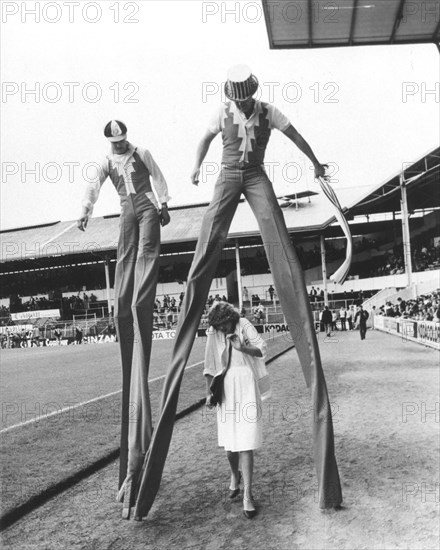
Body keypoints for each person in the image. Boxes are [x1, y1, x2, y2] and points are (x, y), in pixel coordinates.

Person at [132, 65, 341, 520]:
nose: (244, 105)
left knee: (277, 235)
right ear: (232, 96)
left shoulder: (269, 111)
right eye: (239, 100)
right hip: (228, 176)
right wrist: (193, 167)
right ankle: (195, 284)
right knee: (209, 237)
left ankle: (288, 269)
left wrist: (315, 161)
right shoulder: (222, 111)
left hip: (255, 176)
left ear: (254, 96)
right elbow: (206, 139)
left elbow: (297, 134)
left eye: (247, 100)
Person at [76, 120, 171, 509]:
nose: (120, 146)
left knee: (147, 245)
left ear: (127, 138)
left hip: (148, 203)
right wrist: (84, 211)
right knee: (126, 247)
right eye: (115, 143)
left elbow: (159, 178)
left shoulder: (141, 153)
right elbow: (92, 187)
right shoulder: (105, 162)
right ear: (108, 142)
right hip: (126, 209)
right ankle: (126, 291)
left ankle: (141, 290)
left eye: (122, 141)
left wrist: (164, 204)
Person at [204, 302, 270, 519]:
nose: (223, 329)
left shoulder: (243, 324)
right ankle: (235, 475)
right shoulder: (214, 332)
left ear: (231, 317)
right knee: (230, 444)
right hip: (226, 387)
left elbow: (262, 348)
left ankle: (248, 496)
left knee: (246, 441)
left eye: (224, 324)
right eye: (219, 326)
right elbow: (210, 364)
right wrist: (209, 393)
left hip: (247, 384)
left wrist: (242, 347)